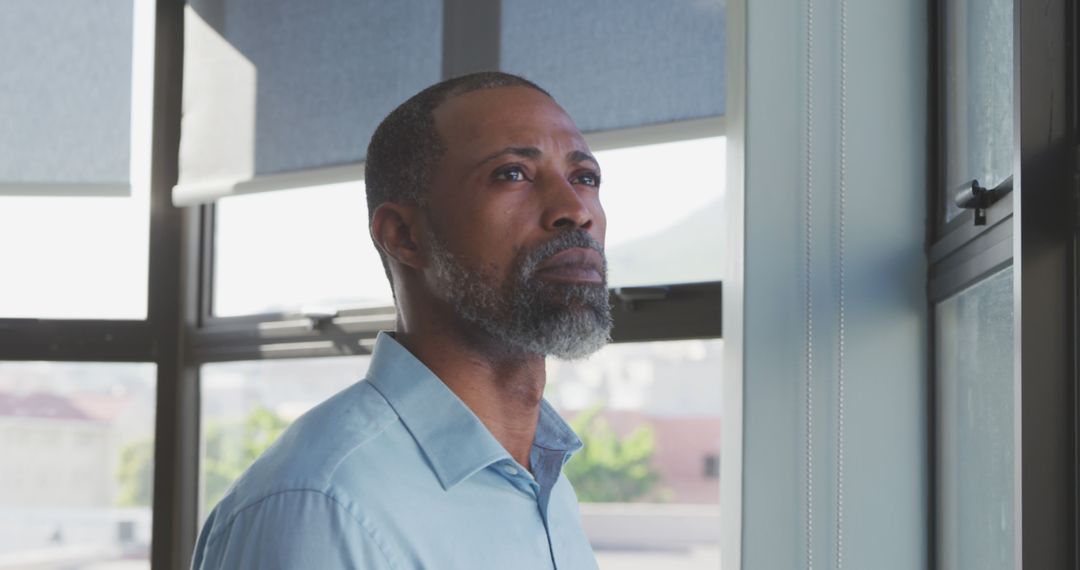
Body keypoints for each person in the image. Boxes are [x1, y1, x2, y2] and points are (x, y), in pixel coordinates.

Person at [191, 71, 611, 570]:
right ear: (404, 236)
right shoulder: (322, 505)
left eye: (584, 178)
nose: (574, 209)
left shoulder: (548, 485)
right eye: (513, 173)